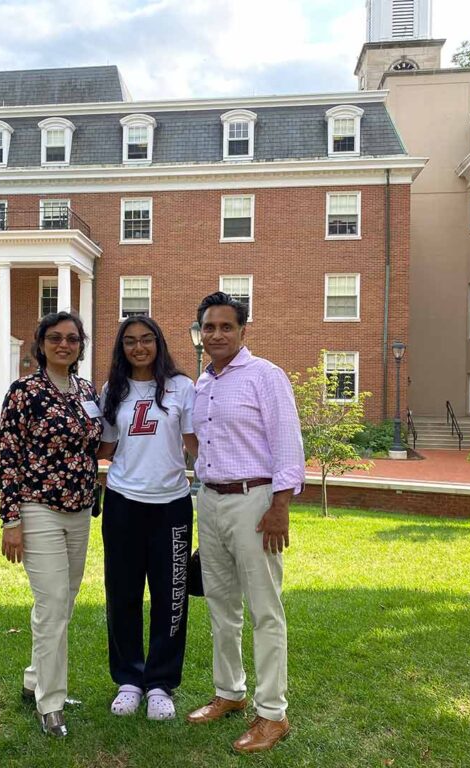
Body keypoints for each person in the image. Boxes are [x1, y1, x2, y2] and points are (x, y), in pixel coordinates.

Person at [186, 292, 305, 754]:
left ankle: (272, 713)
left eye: (225, 327)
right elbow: (200, 443)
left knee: (264, 610)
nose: (216, 334)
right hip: (210, 502)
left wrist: (279, 507)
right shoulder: (202, 385)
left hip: (255, 502)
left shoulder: (265, 376)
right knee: (220, 605)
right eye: (208, 328)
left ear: (242, 331)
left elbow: (288, 445)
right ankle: (229, 693)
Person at [0, 310, 103, 738]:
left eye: (73, 339)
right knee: (53, 601)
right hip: (37, 506)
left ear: (81, 345)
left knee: (63, 602)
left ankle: (33, 678)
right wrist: (10, 520)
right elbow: (9, 456)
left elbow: (98, 444)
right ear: (40, 344)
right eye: (56, 338)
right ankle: (50, 703)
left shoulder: (86, 390)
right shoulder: (24, 391)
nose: (65, 344)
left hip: (79, 509)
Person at [97, 316, 198, 721]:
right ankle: (128, 679)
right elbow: (104, 447)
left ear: (159, 342)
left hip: (171, 504)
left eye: (146, 340)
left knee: (170, 596)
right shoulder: (112, 390)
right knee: (122, 594)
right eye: (130, 342)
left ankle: (160, 683)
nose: (139, 348)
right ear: (122, 348)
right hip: (122, 501)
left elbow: (195, 445)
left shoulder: (182, 387)